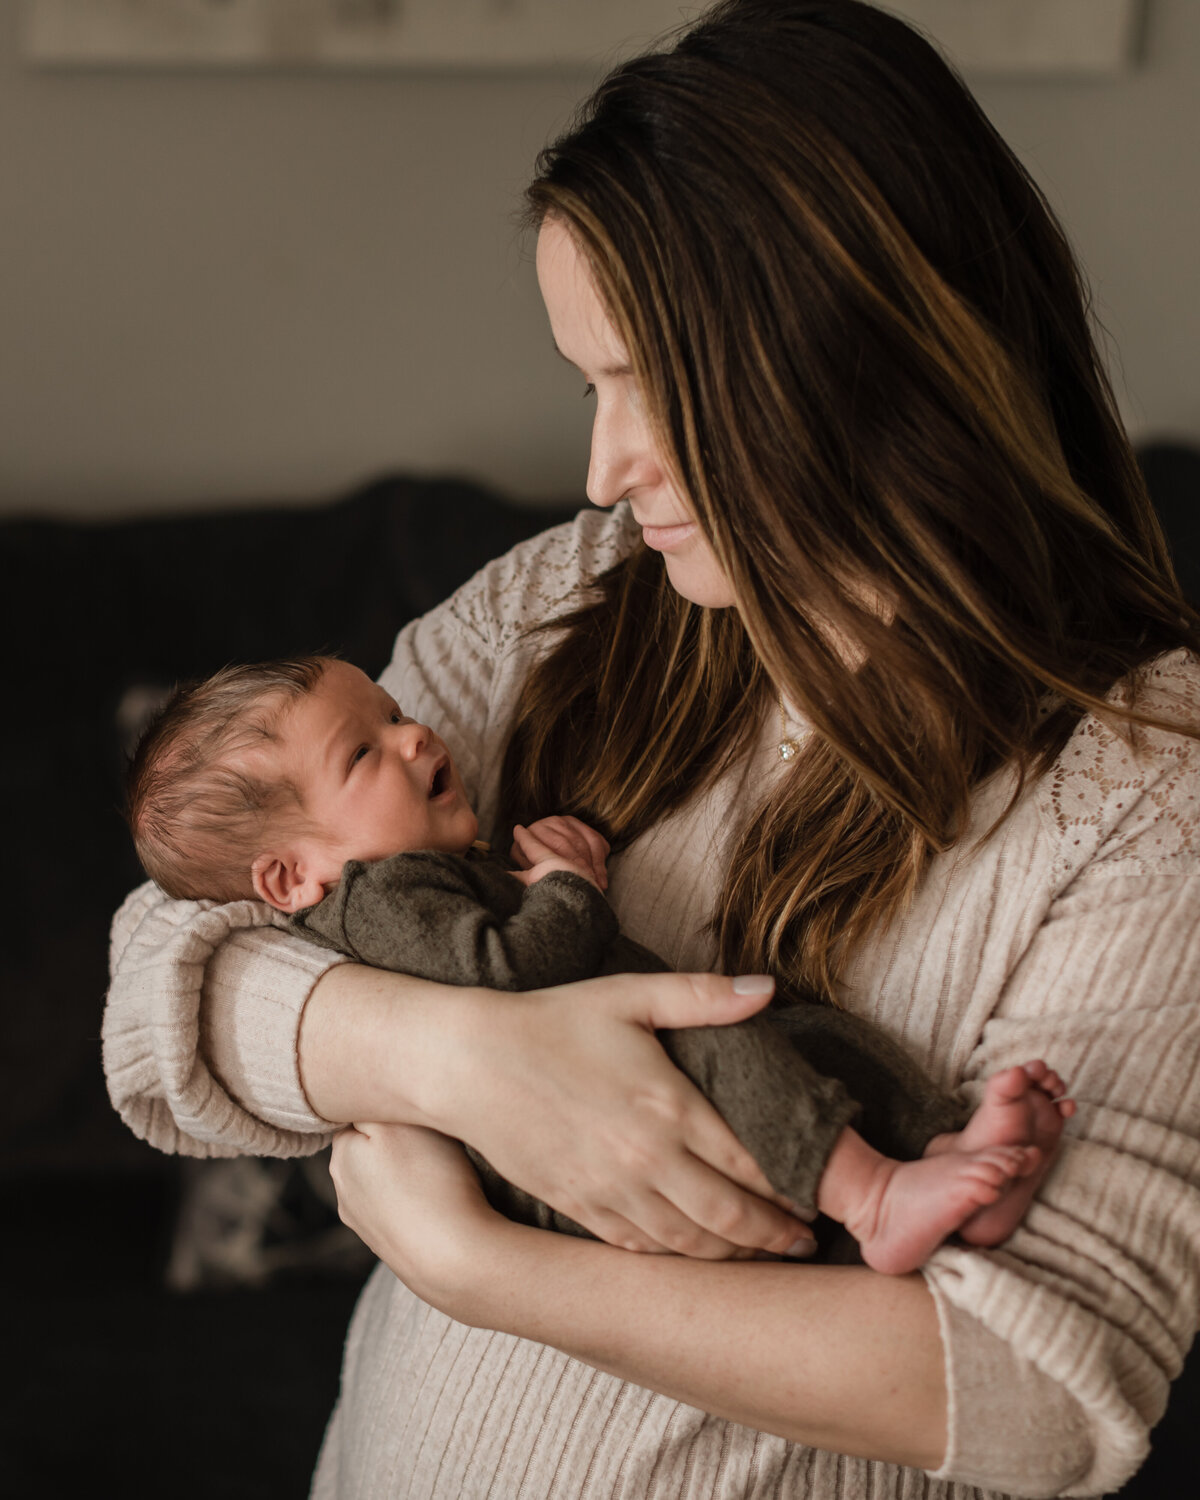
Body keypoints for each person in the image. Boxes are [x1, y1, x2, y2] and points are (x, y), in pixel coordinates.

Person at [102, 1, 1200, 1496]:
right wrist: (471, 1060)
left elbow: (1046, 1394)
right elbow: (162, 976)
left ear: (845, 359)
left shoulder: (1145, 788)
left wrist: (484, 1266)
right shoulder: (569, 598)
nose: (605, 468)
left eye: (651, 389)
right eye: (586, 387)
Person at [124, 652, 1070, 1275]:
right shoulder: (383, 901)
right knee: (727, 1047)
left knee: (811, 1035)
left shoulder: (410, 874)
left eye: (396, 712)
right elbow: (507, 975)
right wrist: (570, 887)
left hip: (630, 1075)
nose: (415, 735)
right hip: (582, 1162)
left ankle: (946, 1149)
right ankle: (876, 1199)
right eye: (363, 752)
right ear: (291, 876)